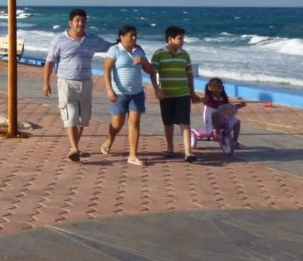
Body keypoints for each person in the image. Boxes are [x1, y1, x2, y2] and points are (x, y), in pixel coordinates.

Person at [42, 9, 113, 162]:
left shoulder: (93, 39)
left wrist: (127, 41)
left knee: (83, 118)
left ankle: (75, 147)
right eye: (77, 21)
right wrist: (46, 83)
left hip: (86, 82)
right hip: (66, 82)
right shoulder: (59, 40)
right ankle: (74, 148)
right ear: (70, 23)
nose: (80, 23)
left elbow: (111, 47)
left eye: (83, 21)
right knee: (70, 115)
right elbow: (49, 62)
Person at [101, 25, 161, 166]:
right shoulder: (114, 50)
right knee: (117, 124)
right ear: (121, 36)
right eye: (130, 35)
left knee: (134, 123)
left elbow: (150, 70)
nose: (133, 38)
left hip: (137, 93)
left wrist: (143, 61)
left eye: (135, 35)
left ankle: (133, 155)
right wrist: (109, 90)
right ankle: (110, 138)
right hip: (119, 93)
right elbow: (107, 71)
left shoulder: (139, 50)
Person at [151, 26, 200, 162]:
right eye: (180, 38)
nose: (183, 41)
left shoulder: (185, 55)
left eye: (183, 38)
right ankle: (170, 147)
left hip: (182, 93)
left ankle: (188, 152)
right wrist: (156, 89)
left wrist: (192, 92)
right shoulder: (159, 54)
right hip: (166, 94)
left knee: (185, 121)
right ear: (170, 39)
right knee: (168, 122)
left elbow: (189, 74)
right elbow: (153, 72)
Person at [202, 77, 245, 146]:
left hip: (223, 118)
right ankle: (217, 134)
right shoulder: (209, 97)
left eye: (219, 87)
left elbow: (229, 107)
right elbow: (203, 100)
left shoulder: (223, 98)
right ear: (209, 87)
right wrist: (198, 99)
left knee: (237, 122)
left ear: (222, 88)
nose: (217, 89)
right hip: (211, 120)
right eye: (214, 86)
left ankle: (234, 141)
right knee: (216, 114)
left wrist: (239, 105)